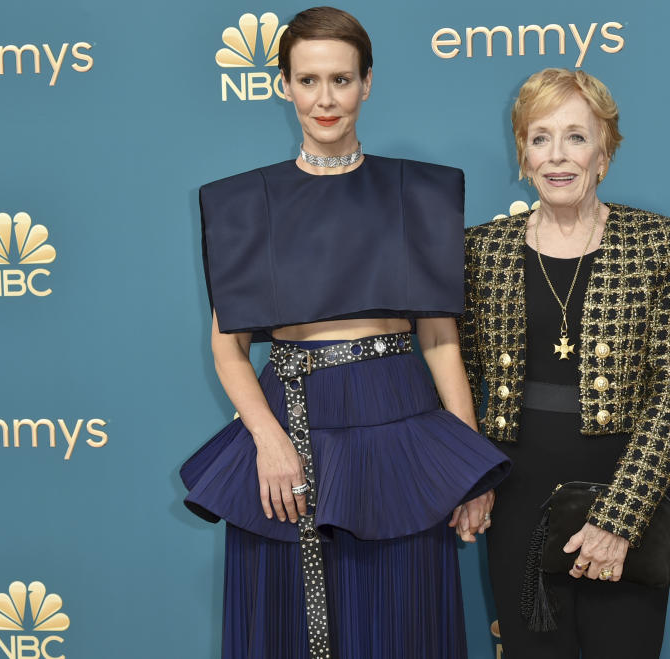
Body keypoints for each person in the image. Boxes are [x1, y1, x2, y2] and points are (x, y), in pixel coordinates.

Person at [180, 7, 509, 659]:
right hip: (290, 430)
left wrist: (469, 466)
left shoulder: (417, 194)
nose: (324, 99)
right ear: (283, 86)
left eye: (339, 80)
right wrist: (268, 440)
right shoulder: (247, 206)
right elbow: (227, 347)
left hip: (400, 424)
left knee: (404, 616)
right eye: (308, 81)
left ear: (367, 84)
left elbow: (440, 339)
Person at [460, 68, 670, 658]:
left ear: (604, 153)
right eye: (540, 138)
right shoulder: (480, 250)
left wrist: (619, 518)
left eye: (576, 137)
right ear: (522, 152)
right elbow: (458, 374)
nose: (557, 156)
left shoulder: (658, 243)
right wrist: (469, 477)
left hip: (624, 487)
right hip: (515, 492)